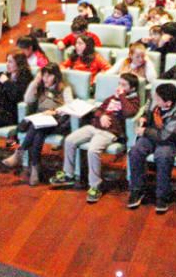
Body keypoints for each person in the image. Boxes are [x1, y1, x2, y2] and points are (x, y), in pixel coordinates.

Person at [52, 72, 141, 203]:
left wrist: (121, 96)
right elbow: (99, 109)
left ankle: (95, 185)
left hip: (109, 132)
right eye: (119, 83)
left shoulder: (133, 101)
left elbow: (129, 112)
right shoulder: (111, 98)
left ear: (132, 88)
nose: (119, 87)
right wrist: (102, 116)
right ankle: (68, 174)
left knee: (93, 150)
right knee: (70, 140)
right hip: (94, 127)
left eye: (124, 85)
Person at [2, 64, 74, 185]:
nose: (46, 78)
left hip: (57, 121)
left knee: (36, 127)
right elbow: (27, 99)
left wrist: (55, 111)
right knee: (38, 132)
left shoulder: (64, 88)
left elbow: (71, 106)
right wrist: (35, 81)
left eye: (49, 75)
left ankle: (20, 153)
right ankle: (35, 168)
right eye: (44, 75)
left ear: (56, 76)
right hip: (41, 121)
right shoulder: (41, 86)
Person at [127, 83, 176, 213]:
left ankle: (162, 195)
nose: (155, 99)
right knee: (135, 152)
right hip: (151, 134)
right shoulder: (154, 101)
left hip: (169, 141)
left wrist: (145, 131)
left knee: (163, 156)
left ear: (168, 103)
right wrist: (144, 116)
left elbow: (166, 136)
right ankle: (137, 189)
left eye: (158, 99)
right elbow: (147, 108)